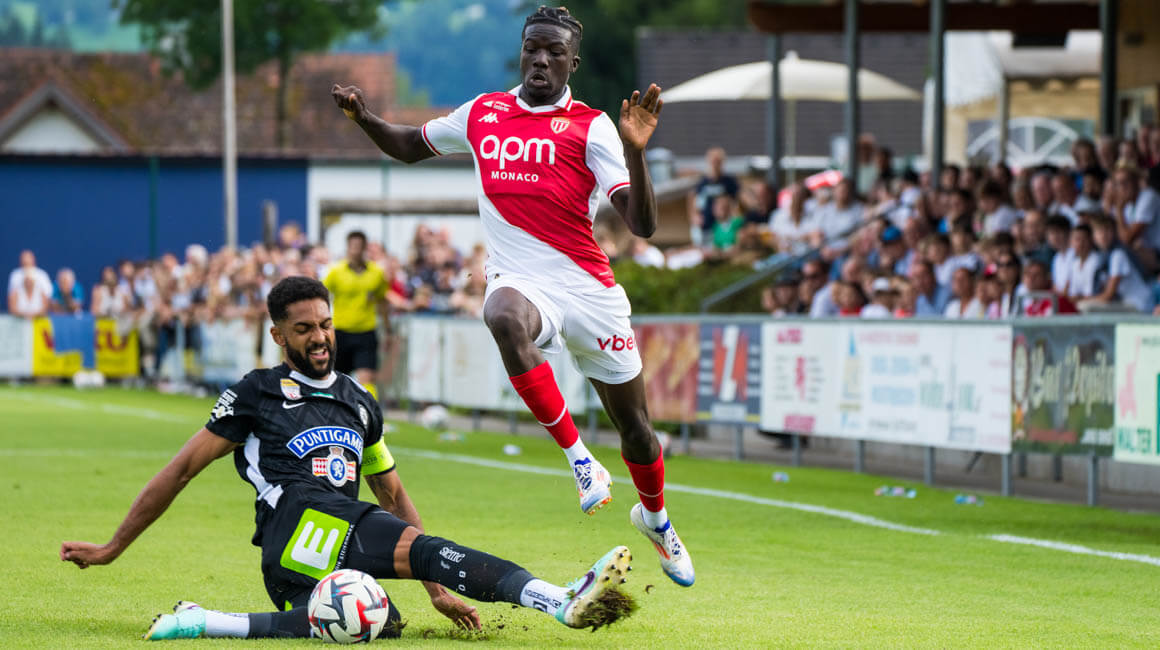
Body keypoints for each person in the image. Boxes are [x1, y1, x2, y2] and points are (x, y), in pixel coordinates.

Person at [330, 5, 692, 586]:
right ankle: (580, 461)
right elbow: (410, 144)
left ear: (573, 63)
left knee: (638, 431)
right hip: (520, 282)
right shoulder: (484, 113)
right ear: (521, 52)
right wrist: (365, 117)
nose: (540, 60)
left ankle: (656, 520)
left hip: (587, 290)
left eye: (554, 52)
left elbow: (642, 225)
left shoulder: (593, 126)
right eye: (532, 48)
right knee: (500, 313)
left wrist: (637, 151)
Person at [60, 277, 635, 640]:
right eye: (303, 329)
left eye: (325, 325)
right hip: (294, 521)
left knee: (375, 622)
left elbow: (391, 491)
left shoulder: (359, 401)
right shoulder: (257, 392)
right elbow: (182, 470)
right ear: (278, 336)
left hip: (319, 548)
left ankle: (203, 621)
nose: (319, 337)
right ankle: (555, 599)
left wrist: (436, 589)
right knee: (412, 556)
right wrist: (113, 548)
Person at [322, 231, 387, 397]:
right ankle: (337, 410)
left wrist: (388, 330)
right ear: (348, 247)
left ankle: (369, 412)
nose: (355, 250)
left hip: (366, 332)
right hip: (341, 332)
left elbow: (382, 301)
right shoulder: (336, 272)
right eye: (353, 246)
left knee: (367, 379)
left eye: (359, 246)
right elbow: (321, 297)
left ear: (365, 248)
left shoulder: (376, 273)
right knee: (337, 379)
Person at [687, 147, 739, 246]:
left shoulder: (728, 181)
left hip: (722, 225)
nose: (715, 164)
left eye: (718, 161)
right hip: (705, 224)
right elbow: (692, 197)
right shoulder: (703, 182)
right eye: (713, 161)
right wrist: (694, 215)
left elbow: (736, 200)